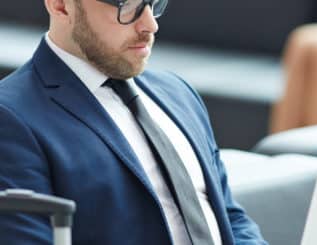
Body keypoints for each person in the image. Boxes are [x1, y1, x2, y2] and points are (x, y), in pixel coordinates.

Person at [0, 0, 267, 244]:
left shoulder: (179, 93)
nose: (150, 24)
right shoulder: (11, 118)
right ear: (60, 6)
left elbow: (231, 218)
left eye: (154, 3)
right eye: (127, 6)